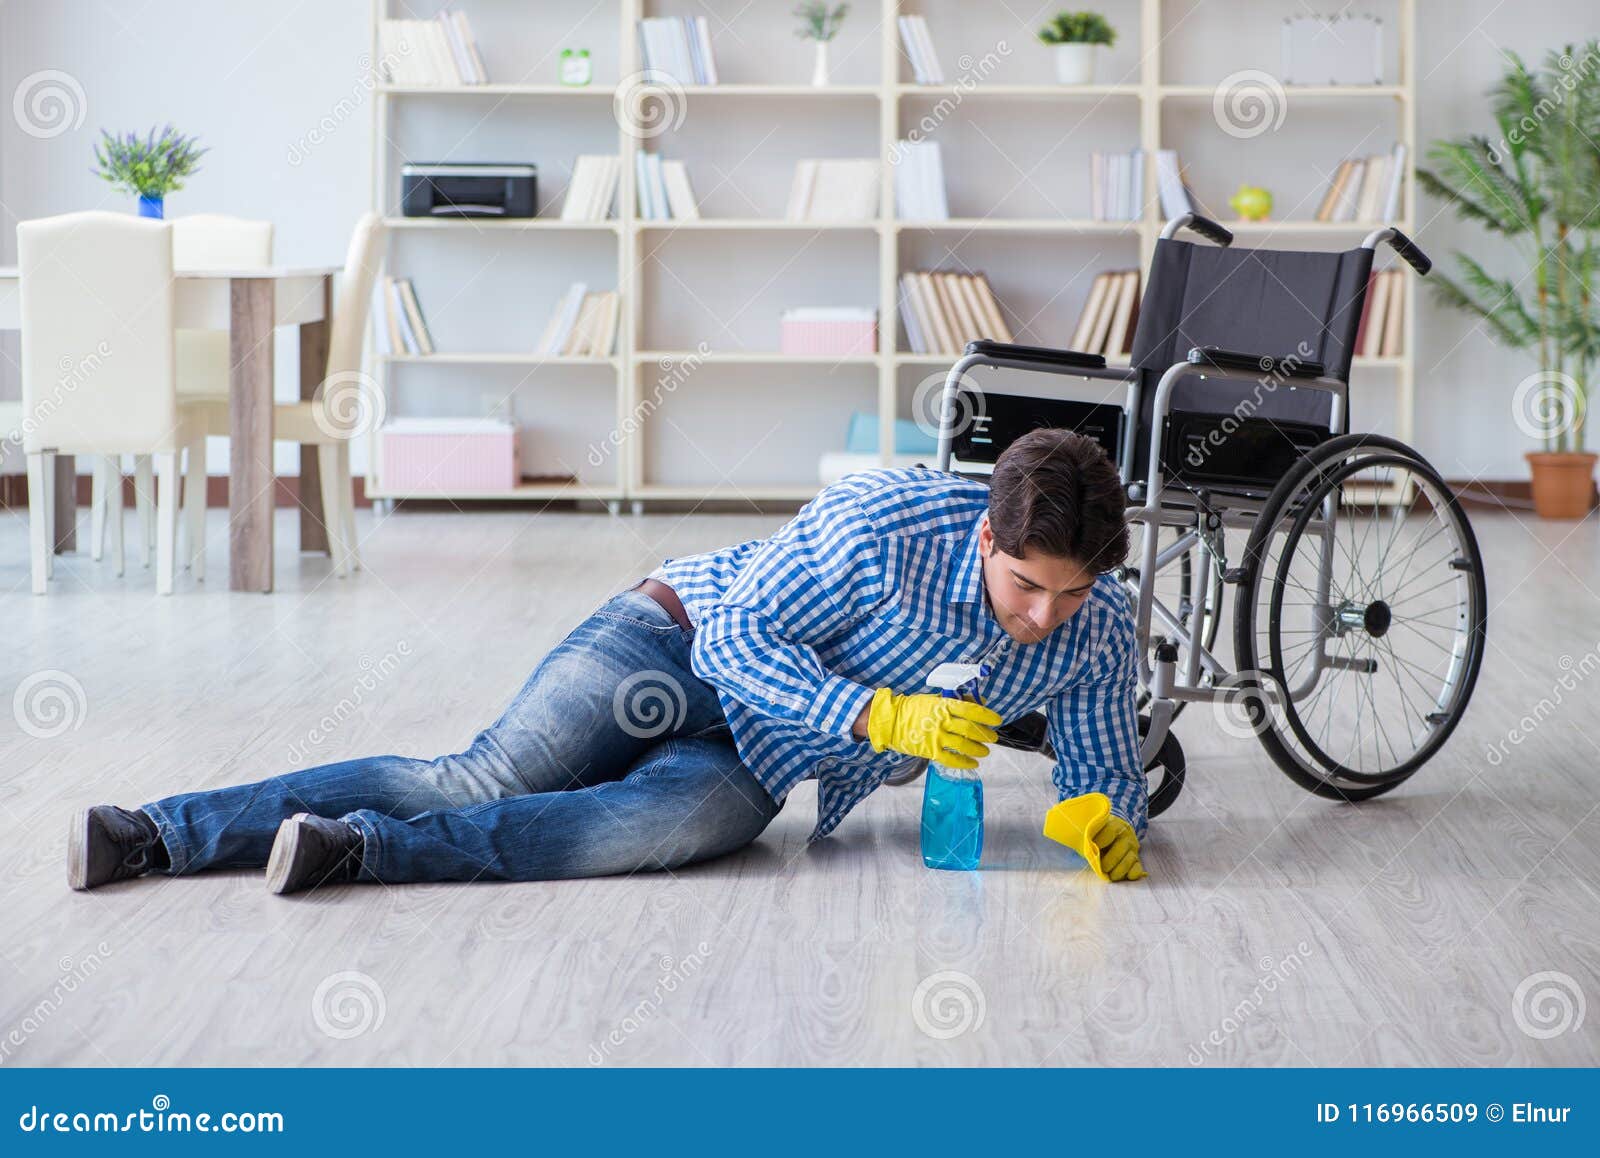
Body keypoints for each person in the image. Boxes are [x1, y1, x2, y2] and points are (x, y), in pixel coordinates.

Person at [68, 428, 1149, 895]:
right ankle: (155, 834)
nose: (1048, 618)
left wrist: (1097, 817)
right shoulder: (881, 523)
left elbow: (1102, 765)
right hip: (676, 639)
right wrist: (881, 720)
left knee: (666, 826)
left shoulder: (1097, 625)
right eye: (1027, 588)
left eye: (1072, 594)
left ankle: (356, 852)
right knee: (483, 777)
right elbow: (735, 643)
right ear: (984, 540)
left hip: (763, 744)